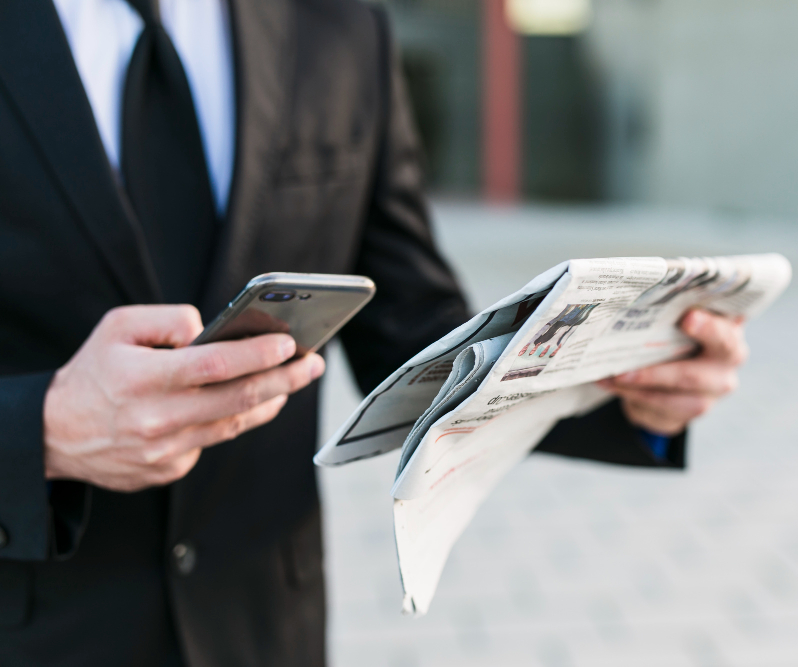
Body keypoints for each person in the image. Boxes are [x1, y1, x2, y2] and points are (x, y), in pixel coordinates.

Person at [0, 0, 748, 664]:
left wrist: (625, 379)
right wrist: (44, 431)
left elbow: (413, 331)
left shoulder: (338, 28)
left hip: (262, 626)